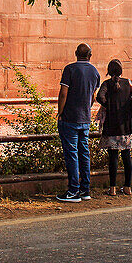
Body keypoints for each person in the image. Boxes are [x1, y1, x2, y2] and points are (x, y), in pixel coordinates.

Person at [56, 42, 101, 203]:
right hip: (85, 119)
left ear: (76, 53)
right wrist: (86, 110)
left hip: (70, 118)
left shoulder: (70, 69)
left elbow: (63, 93)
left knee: (72, 154)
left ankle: (73, 190)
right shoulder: (95, 72)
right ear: (90, 55)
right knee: (84, 154)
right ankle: (85, 189)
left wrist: (60, 113)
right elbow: (93, 97)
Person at [96, 58, 132, 196]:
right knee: (127, 157)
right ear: (121, 71)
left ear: (109, 71)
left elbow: (99, 97)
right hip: (126, 126)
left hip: (111, 126)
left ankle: (113, 188)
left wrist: (108, 104)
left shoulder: (107, 84)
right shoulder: (129, 83)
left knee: (113, 157)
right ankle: (128, 187)